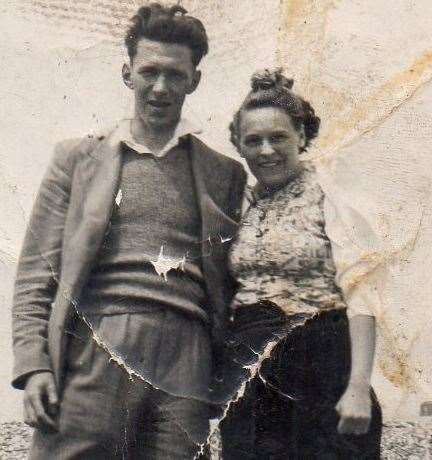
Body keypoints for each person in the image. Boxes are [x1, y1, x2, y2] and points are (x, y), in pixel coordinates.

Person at [11, 3, 246, 459]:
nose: (160, 88)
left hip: (187, 357)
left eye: (175, 75)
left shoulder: (224, 173)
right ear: (127, 73)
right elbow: (36, 275)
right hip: (97, 342)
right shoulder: (77, 160)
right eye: (149, 72)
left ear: (194, 81)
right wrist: (34, 365)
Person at [219, 69, 382, 459]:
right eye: (253, 140)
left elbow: (363, 294)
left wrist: (358, 385)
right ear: (239, 146)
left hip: (324, 365)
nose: (266, 150)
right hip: (253, 370)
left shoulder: (332, 200)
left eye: (278, 137)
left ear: (302, 136)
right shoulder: (236, 207)